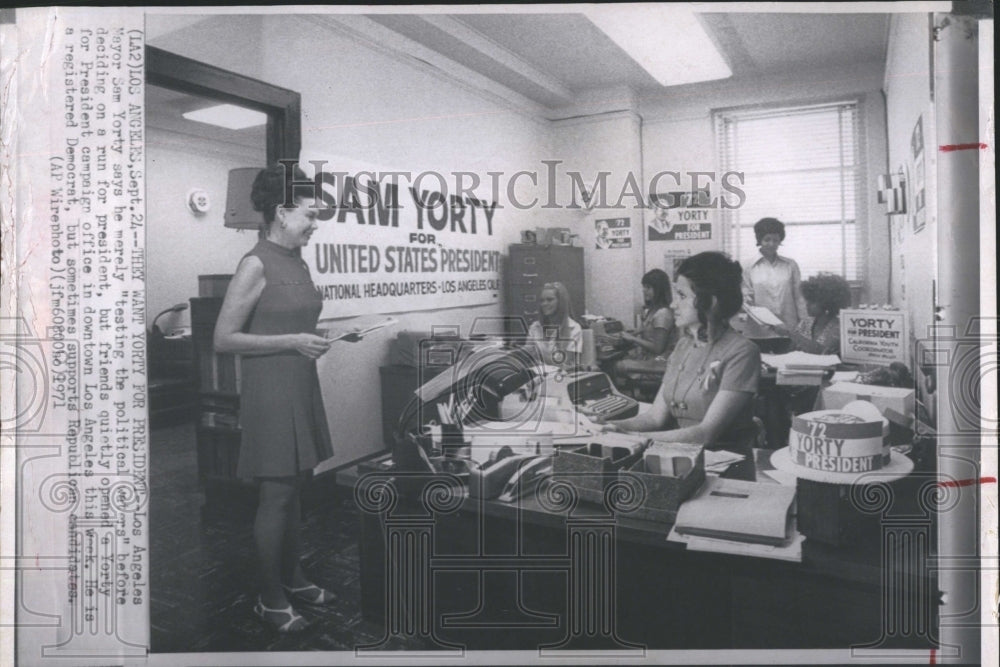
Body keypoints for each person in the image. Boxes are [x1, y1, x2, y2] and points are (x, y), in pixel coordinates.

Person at [214, 164, 362, 633]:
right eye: (310, 214)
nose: (315, 224)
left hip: (298, 383)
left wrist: (327, 335)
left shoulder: (295, 258)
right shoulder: (254, 263)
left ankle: (294, 578)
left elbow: (288, 322)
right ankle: (269, 595)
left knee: (295, 488)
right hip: (271, 391)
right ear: (282, 212)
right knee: (276, 496)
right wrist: (294, 342)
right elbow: (224, 338)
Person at [598, 253, 761, 456]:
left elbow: (705, 434)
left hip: (724, 463)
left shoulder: (742, 353)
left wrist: (631, 437)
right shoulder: (683, 346)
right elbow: (654, 418)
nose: (674, 305)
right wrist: (607, 426)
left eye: (682, 296)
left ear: (710, 302)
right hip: (680, 456)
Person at [612, 269, 679, 392]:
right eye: (644, 287)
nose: (644, 290)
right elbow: (644, 330)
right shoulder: (653, 311)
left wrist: (633, 338)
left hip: (657, 364)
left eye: (648, 287)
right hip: (648, 360)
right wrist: (631, 334)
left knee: (615, 366)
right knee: (619, 360)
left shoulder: (663, 314)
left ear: (658, 290)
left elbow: (657, 348)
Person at [742, 217, 807, 330]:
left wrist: (804, 324)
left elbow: (799, 297)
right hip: (759, 331)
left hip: (789, 328)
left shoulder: (791, 265)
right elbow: (747, 301)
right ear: (759, 240)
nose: (771, 244)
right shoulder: (747, 266)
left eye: (775, 240)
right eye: (767, 239)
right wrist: (769, 323)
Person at [773, 273, 851, 355]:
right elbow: (792, 351)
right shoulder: (806, 323)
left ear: (827, 303)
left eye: (813, 301)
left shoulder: (839, 327)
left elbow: (821, 351)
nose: (807, 304)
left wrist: (789, 333)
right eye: (807, 299)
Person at [527, 281, 583, 370]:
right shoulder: (535, 327)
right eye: (542, 300)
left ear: (560, 302)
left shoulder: (573, 328)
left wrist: (538, 361)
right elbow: (527, 356)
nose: (544, 304)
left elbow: (565, 364)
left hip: (562, 377)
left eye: (550, 300)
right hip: (539, 376)